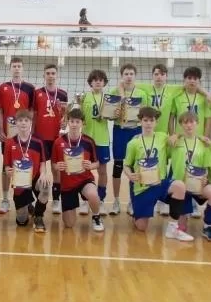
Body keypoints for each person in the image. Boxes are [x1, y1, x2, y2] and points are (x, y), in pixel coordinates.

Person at [168, 111, 211, 241]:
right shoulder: (175, 142)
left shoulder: (203, 144)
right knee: (182, 228)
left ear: (197, 123)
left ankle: (208, 226)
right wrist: (176, 135)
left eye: (191, 122)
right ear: (180, 125)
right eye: (185, 122)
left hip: (198, 184)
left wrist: (204, 180)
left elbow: (206, 167)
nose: (189, 125)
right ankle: (182, 218)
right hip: (181, 187)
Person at [51, 108, 104, 233]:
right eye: (72, 121)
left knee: (93, 194)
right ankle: (74, 204)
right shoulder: (58, 142)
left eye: (77, 122)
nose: (74, 125)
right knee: (69, 224)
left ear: (82, 123)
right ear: (67, 122)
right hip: (67, 184)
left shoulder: (88, 141)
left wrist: (90, 166)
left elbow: (97, 163)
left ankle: (96, 217)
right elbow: (53, 164)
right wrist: (58, 166)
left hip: (84, 180)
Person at [123, 106, 173, 234]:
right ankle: (137, 213)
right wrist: (130, 175)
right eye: (145, 120)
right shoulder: (133, 143)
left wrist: (177, 136)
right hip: (142, 186)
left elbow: (179, 142)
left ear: (156, 122)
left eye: (151, 120)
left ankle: (177, 225)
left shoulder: (163, 137)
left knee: (179, 187)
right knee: (141, 227)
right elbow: (126, 165)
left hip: (160, 183)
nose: (148, 123)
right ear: (140, 121)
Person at [109, 63, 149, 217]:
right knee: (118, 166)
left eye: (131, 73)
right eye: (126, 74)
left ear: (135, 76)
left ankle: (133, 201)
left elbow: (145, 116)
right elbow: (109, 115)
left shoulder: (141, 93)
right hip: (120, 131)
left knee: (134, 167)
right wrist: (115, 113)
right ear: (122, 76)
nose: (129, 76)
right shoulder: (114, 92)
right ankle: (116, 201)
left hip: (135, 131)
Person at [0, 57, 35, 214]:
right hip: (8, 136)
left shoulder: (30, 88)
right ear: (10, 68)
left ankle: (28, 200)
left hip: (25, 135)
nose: (17, 68)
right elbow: (0, 111)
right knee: (6, 167)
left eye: (19, 66)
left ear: (23, 68)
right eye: (14, 66)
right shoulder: (3, 87)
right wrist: (1, 131)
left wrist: (31, 132)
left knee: (26, 165)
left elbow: (32, 112)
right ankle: (5, 199)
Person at [2, 109, 51, 232]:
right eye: (20, 120)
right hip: (20, 182)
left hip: (35, 177)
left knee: (45, 186)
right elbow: (7, 166)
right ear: (16, 123)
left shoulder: (38, 141)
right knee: (22, 222)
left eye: (26, 120)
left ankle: (38, 216)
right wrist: (8, 171)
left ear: (30, 123)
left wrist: (43, 174)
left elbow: (42, 162)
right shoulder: (10, 143)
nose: (23, 123)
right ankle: (28, 205)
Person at [33, 64, 69, 214]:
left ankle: (56, 200)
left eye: (53, 73)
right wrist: (32, 134)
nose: (50, 76)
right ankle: (38, 198)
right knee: (38, 169)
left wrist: (65, 122)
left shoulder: (63, 94)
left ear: (56, 75)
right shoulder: (37, 93)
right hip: (40, 137)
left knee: (56, 169)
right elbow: (34, 115)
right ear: (44, 76)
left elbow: (65, 115)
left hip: (56, 137)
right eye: (48, 73)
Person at [79, 69, 111, 215]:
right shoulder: (84, 97)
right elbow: (79, 116)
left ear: (104, 82)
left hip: (102, 140)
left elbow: (114, 116)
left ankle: (101, 200)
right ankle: (85, 201)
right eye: (95, 80)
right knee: (83, 169)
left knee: (102, 171)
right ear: (90, 82)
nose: (98, 82)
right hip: (86, 140)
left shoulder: (108, 99)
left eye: (100, 80)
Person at [169, 67, 211, 139]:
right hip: (180, 138)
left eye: (195, 79)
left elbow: (208, 119)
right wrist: (172, 135)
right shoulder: (177, 97)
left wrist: (205, 137)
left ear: (199, 81)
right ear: (184, 80)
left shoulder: (204, 98)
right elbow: (171, 118)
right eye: (189, 78)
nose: (192, 81)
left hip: (198, 138)